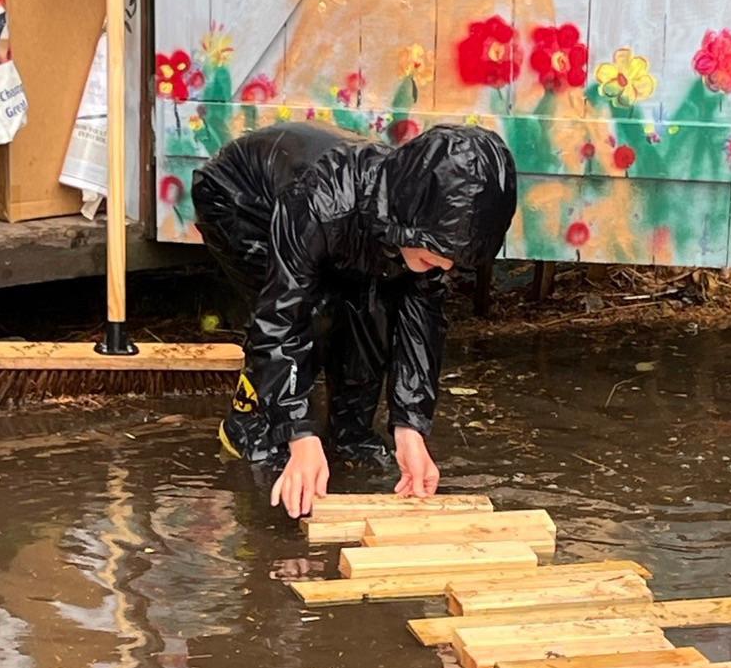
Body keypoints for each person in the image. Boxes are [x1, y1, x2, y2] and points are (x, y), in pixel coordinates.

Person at [192, 121, 517, 519]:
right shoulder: (321, 201)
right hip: (241, 200)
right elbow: (281, 316)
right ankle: (249, 422)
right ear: (412, 212)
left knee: (371, 307)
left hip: (338, 221)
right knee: (315, 312)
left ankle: (349, 434)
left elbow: (420, 325)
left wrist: (410, 427)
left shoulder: (420, 224)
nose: (446, 265)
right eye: (439, 250)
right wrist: (298, 432)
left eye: (456, 256)